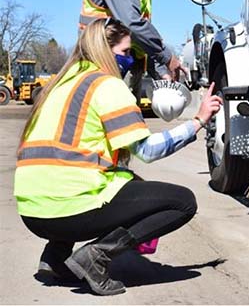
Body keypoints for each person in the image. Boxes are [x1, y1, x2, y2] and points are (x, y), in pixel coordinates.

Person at [13, 18, 223, 296]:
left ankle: (54, 256)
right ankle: (96, 257)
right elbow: (147, 150)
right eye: (125, 53)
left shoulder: (60, 83)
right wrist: (197, 120)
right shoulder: (107, 86)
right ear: (104, 50)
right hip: (67, 208)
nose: (128, 60)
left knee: (128, 181)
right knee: (183, 202)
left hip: (32, 210)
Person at [79, 0, 186, 98]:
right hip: (102, 57)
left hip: (128, 62)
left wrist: (161, 71)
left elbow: (141, 35)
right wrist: (167, 58)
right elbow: (131, 23)